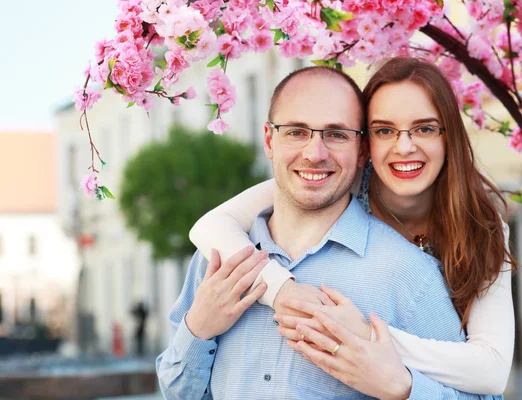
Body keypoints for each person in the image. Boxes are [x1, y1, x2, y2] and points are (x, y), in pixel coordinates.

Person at [157, 65, 500, 399]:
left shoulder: (408, 275)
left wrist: (404, 390)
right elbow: (178, 392)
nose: (314, 153)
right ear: (269, 139)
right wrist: (198, 330)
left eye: (336, 134)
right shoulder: (219, 262)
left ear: (362, 150)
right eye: (296, 132)